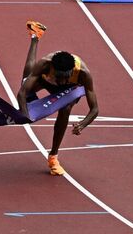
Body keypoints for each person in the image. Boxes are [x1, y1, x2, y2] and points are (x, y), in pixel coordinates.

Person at [17, 21, 98, 175]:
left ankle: (53, 157)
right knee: (26, 82)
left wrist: (83, 124)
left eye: (65, 76)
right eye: (59, 76)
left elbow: (95, 109)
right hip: (46, 81)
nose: (61, 80)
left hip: (70, 89)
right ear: (52, 68)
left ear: (72, 70)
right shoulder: (45, 64)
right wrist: (24, 113)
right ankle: (35, 37)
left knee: (66, 109)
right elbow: (21, 93)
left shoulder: (83, 74)